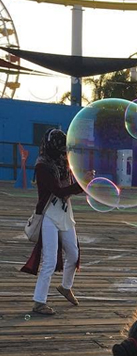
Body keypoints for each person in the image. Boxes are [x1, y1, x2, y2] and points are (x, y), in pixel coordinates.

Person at [20, 128, 87, 316]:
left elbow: (69, 184)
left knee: (73, 253)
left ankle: (65, 287)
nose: (62, 150)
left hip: (64, 213)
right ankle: (39, 302)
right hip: (49, 214)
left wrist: (83, 177)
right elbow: (58, 191)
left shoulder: (62, 162)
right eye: (60, 146)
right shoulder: (42, 166)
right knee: (49, 260)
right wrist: (81, 185)